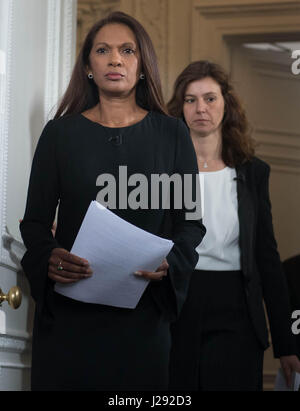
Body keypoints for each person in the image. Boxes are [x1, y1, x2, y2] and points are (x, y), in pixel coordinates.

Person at [20, 12, 205, 391]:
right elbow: (34, 224)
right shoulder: (59, 134)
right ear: (89, 66)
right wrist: (50, 255)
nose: (115, 59)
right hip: (70, 321)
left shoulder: (172, 134)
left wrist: (172, 262)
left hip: (143, 321)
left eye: (127, 50)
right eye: (103, 50)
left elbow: (191, 223)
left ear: (141, 65)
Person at [167, 60, 300, 391]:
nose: (201, 108)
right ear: (179, 108)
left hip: (238, 309)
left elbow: (268, 259)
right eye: (191, 99)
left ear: (226, 105)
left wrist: (287, 345)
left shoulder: (253, 173)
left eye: (210, 98)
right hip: (178, 303)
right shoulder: (162, 171)